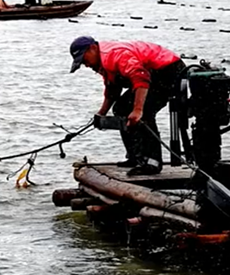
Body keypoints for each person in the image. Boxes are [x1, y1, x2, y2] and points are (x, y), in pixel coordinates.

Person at [69, 36, 185, 175]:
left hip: (169, 71)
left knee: (144, 112)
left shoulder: (116, 54)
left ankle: (152, 162)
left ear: (93, 48)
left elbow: (141, 78)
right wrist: (101, 113)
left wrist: (137, 110)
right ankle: (135, 157)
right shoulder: (103, 62)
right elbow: (112, 89)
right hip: (152, 75)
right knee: (121, 108)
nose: (86, 65)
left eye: (85, 60)